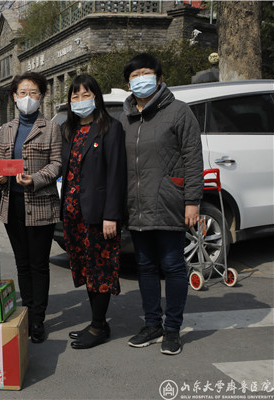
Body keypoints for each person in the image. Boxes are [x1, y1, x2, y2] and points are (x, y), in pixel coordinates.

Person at [121, 53, 203, 355]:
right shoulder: (125, 117)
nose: (140, 78)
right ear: (128, 82)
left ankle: (172, 329)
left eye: (146, 72)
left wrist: (192, 201)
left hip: (169, 201)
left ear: (158, 76)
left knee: (172, 266)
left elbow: (194, 159)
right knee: (144, 266)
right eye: (134, 74)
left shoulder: (179, 112)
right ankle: (152, 323)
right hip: (137, 204)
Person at [0, 72, 61, 344]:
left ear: (41, 96)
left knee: (38, 264)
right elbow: (1, 160)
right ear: (14, 96)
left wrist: (35, 179)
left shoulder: (51, 127)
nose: (28, 98)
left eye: (34, 92)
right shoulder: (7, 128)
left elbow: (56, 163)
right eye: (22, 92)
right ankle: (27, 309)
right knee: (22, 264)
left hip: (41, 203)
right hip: (13, 204)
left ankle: (37, 318)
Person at [60, 74, 127, 349]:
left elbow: (116, 174)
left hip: (99, 215)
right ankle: (97, 322)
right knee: (86, 269)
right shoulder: (68, 130)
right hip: (73, 214)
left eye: (85, 95)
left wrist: (112, 214)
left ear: (96, 97)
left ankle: (99, 327)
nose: (79, 100)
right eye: (74, 96)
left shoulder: (110, 128)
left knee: (100, 269)